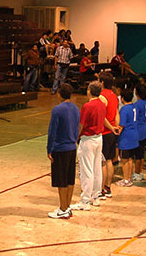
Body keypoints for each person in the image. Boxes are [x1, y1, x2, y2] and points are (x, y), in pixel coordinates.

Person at [70, 81, 105, 211]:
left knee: (86, 170)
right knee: (97, 168)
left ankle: (85, 200)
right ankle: (95, 196)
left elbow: (81, 125)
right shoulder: (102, 104)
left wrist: (75, 137)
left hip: (88, 139)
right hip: (99, 138)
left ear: (89, 91)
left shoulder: (88, 106)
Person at [47, 83, 80, 219]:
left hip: (60, 148)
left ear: (60, 94)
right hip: (72, 147)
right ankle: (67, 206)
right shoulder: (76, 109)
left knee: (61, 180)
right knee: (69, 179)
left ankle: (63, 208)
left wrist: (49, 149)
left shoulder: (57, 110)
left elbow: (52, 131)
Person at [99, 72, 120, 199]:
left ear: (102, 83)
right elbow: (116, 113)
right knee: (109, 160)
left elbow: (102, 116)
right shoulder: (114, 96)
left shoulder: (102, 96)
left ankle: (101, 189)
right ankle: (108, 187)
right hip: (112, 132)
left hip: (105, 132)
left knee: (102, 162)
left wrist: (111, 127)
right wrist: (116, 127)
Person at [115, 88, 139, 187]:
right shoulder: (134, 107)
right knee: (130, 159)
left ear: (122, 98)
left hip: (126, 137)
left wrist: (117, 133)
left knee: (124, 159)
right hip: (134, 134)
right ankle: (128, 178)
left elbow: (122, 124)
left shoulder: (124, 109)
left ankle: (125, 179)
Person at [132, 84, 146, 181]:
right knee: (141, 152)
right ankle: (140, 171)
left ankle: (137, 172)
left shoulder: (138, 104)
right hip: (143, 128)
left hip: (138, 129)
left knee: (138, 154)